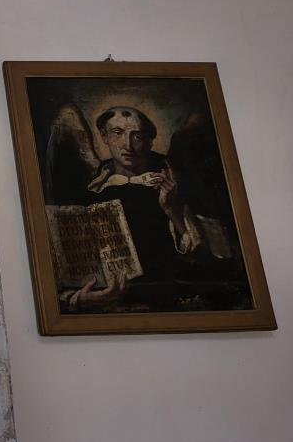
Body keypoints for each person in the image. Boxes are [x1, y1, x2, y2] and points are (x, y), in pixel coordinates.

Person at [70, 106, 211, 311]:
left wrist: (170, 209)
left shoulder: (172, 184)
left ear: (149, 142)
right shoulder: (93, 191)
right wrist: (78, 298)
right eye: (117, 133)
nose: (127, 145)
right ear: (104, 136)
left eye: (137, 136)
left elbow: (204, 258)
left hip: (168, 300)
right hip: (111, 303)